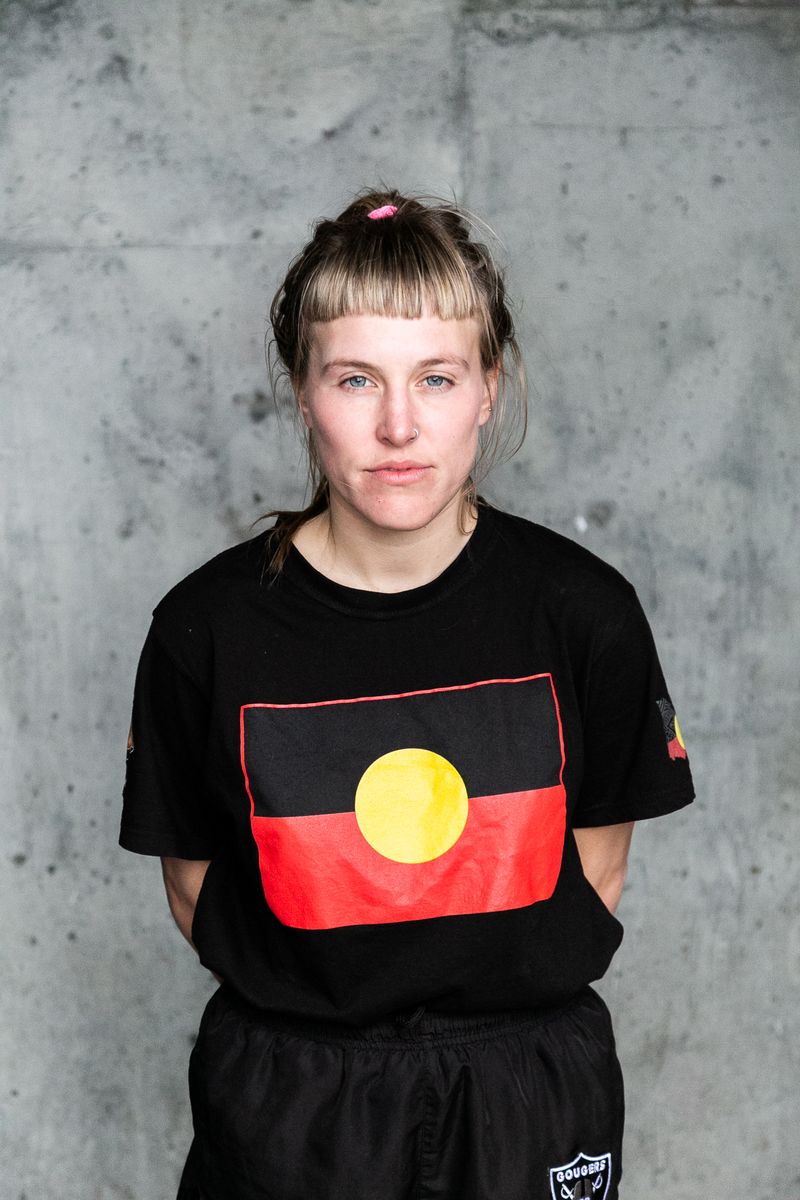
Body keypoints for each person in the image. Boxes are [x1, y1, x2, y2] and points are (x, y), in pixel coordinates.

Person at [120, 189, 694, 1200]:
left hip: (525, 1085)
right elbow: (192, 887)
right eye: (355, 378)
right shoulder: (206, 630)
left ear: (486, 388)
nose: (397, 424)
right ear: (302, 391)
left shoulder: (582, 612)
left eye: (434, 377)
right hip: (294, 1096)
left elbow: (593, 871)